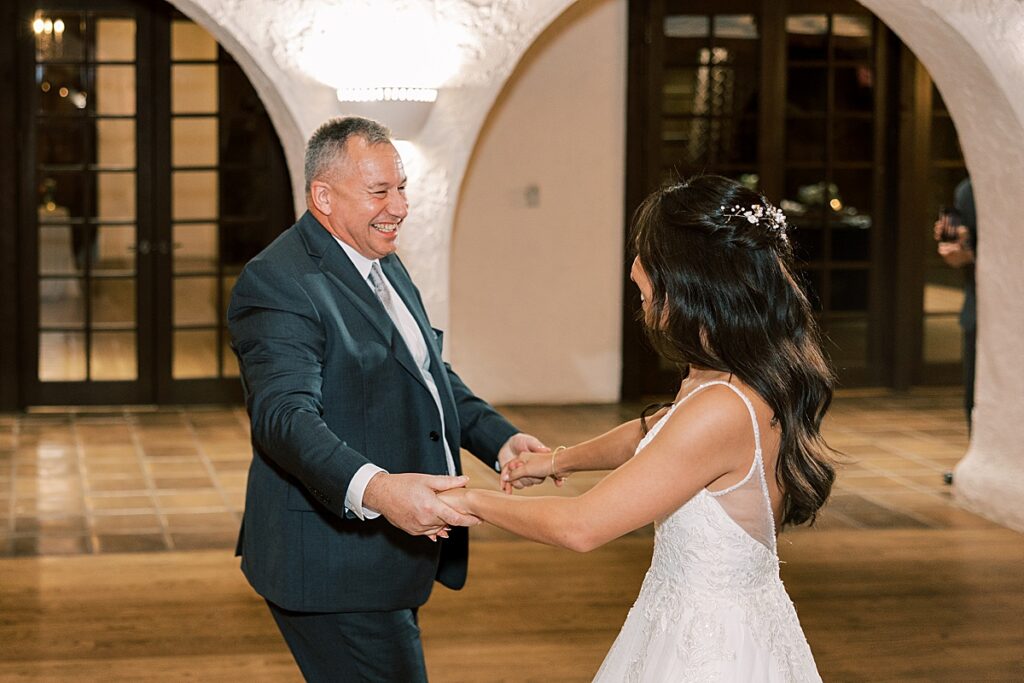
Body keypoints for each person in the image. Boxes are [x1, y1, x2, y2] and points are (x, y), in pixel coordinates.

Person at [441, 175, 836, 681]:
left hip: (711, 649)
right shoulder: (727, 373)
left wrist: (466, 502)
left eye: (647, 257)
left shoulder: (721, 409)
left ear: (690, 277)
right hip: (696, 615)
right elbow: (652, 433)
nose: (634, 271)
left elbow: (581, 527)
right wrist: (558, 459)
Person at [227, 116, 547, 681]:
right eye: (380, 191)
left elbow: (426, 372)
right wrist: (377, 489)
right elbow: (283, 418)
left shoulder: (383, 261)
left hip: (390, 554)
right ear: (323, 196)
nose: (399, 206)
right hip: (332, 565)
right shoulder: (278, 281)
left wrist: (500, 440)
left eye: (401, 188)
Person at [933, 178, 976, 429]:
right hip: (978, 307)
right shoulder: (967, 190)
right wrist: (959, 252)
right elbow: (960, 257)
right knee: (974, 394)